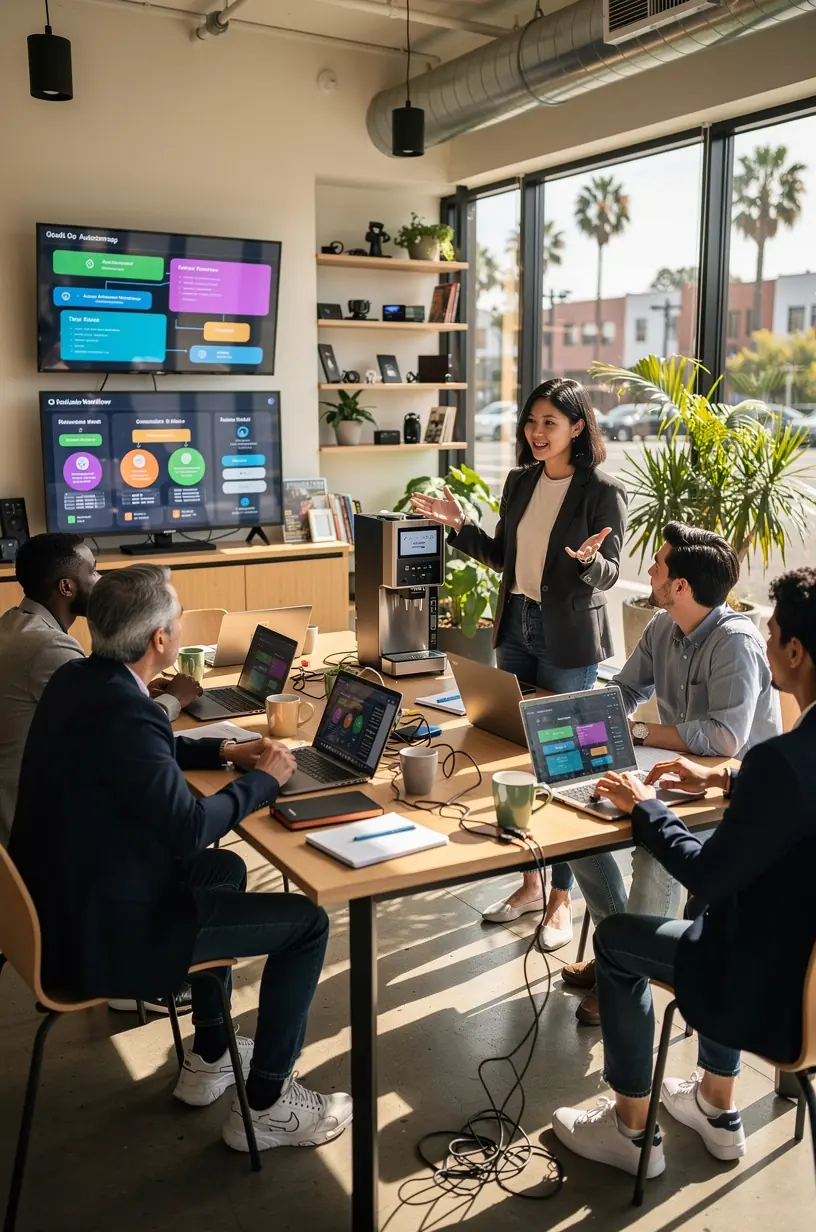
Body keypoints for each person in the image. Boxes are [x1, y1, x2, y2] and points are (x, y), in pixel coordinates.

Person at [9, 565, 352, 1152]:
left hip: (65, 905)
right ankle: (269, 1102)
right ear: (160, 641)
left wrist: (226, 749)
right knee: (308, 926)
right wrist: (265, 779)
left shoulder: (84, 681)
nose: (178, 624)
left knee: (226, 871)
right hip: (108, 937)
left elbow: (152, 746)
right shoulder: (128, 707)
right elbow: (191, 827)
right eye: (176, 617)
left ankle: (212, 1052)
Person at [552, 567, 816, 1179]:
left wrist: (645, 806)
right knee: (722, 912)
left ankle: (629, 1128)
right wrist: (724, 776)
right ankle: (717, 1107)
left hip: (765, 986)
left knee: (619, 941)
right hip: (808, 977)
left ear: (795, 652)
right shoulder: (783, 763)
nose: (765, 639)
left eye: (771, 631)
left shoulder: (780, 762)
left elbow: (707, 874)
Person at [411, 379, 627, 951]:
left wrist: (587, 563)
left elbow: (609, 573)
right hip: (516, 629)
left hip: (568, 638)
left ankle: (562, 898)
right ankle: (530, 882)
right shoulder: (520, 481)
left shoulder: (601, 490)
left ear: (577, 427)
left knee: (562, 768)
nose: (536, 432)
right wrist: (458, 528)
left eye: (550, 422)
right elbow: (503, 558)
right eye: (531, 421)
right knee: (514, 755)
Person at [563, 522, 781, 1024]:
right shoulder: (664, 626)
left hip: (730, 797)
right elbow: (626, 692)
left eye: (658, 565)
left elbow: (725, 740)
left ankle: (627, 978)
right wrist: (578, 715)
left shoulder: (736, 643)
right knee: (576, 824)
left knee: (655, 852)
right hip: (674, 777)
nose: (650, 570)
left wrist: (636, 735)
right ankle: (618, 952)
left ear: (680, 586)